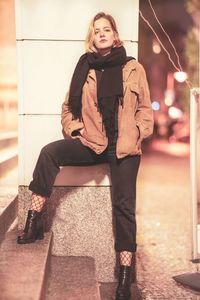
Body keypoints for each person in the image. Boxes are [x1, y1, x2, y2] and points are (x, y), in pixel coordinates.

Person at [17, 12, 154, 300]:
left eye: (107, 29)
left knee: (124, 208)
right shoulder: (85, 68)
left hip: (125, 146)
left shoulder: (133, 67)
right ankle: (34, 220)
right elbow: (68, 107)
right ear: (92, 38)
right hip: (94, 142)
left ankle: (124, 278)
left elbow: (145, 108)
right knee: (49, 152)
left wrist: (139, 132)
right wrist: (75, 129)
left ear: (115, 35)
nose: (102, 34)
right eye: (97, 31)